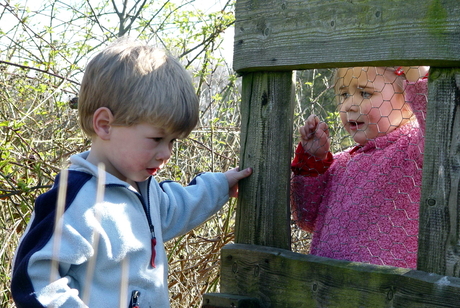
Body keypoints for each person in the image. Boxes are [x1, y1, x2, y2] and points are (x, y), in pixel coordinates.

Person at [11, 38, 252, 308]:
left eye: (173, 141)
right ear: (104, 125)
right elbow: (34, 278)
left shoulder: (146, 191)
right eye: (156, 138)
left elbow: (179, 205)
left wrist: (221, 185)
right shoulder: (75, 200)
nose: (166, 153)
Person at [291, 66, 429, 268]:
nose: (350, 105)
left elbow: (443, 125)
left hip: (389, 292)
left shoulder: (414, 148)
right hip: (326, 289)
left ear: (408, 98)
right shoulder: (340, 163)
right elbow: (306, 219)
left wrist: (416, 73)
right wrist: (314, 159)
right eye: (344, 94)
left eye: (365, 93)